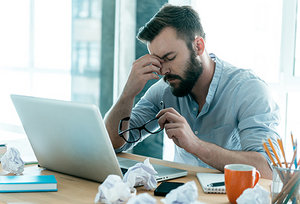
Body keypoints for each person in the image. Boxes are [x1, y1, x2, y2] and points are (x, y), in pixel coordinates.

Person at [105, 4, 280, 179]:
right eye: (158, 62)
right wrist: (128, 94)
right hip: (180, 194)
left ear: (198, 46)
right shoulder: (164, 91)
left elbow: (267, 170)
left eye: (170, 58)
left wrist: (195, 145)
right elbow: (114, 144)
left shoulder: (249, 90)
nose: (164, 71)